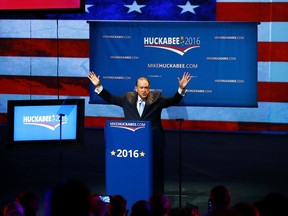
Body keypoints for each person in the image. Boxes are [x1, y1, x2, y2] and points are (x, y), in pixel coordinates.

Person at [88, 71, 192, 193]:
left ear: (149, 88)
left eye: (146, 88)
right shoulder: (127, 98)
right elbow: (110, 98)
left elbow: (173, 101)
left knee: (154, 172)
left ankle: (154, 195)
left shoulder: (156, 98)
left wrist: (181, 89)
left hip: (153, 142)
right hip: (132, 144)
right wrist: (98, 86)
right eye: (141, 87)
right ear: (136, 88)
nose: (144, 90)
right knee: (134, 170)